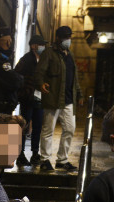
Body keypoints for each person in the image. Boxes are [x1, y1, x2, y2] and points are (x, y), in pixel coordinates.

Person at [33, 25, 82, 171]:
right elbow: (39, 72)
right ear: (58, 38)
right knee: (48, 130)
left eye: (69, 37)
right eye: (66, 37)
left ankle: (62, 159)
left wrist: (79, 93)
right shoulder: (49, 53)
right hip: (53, 98)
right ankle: (45, 160)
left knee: (70, 129)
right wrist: (40, 84)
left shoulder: (70, 55)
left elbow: (75, 77)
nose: (68, 40)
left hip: (68, 99)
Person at [14, 34, 47, 170]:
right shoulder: (26, 59)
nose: (43, 47)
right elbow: (17, 74)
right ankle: (20, 154)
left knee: (38, 127)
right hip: (28, 98)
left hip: (39, 99)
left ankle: (35, 153)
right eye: (40, 45)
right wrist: (26, 88)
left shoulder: (43, 60)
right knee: (24, 126)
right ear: (33, 46)